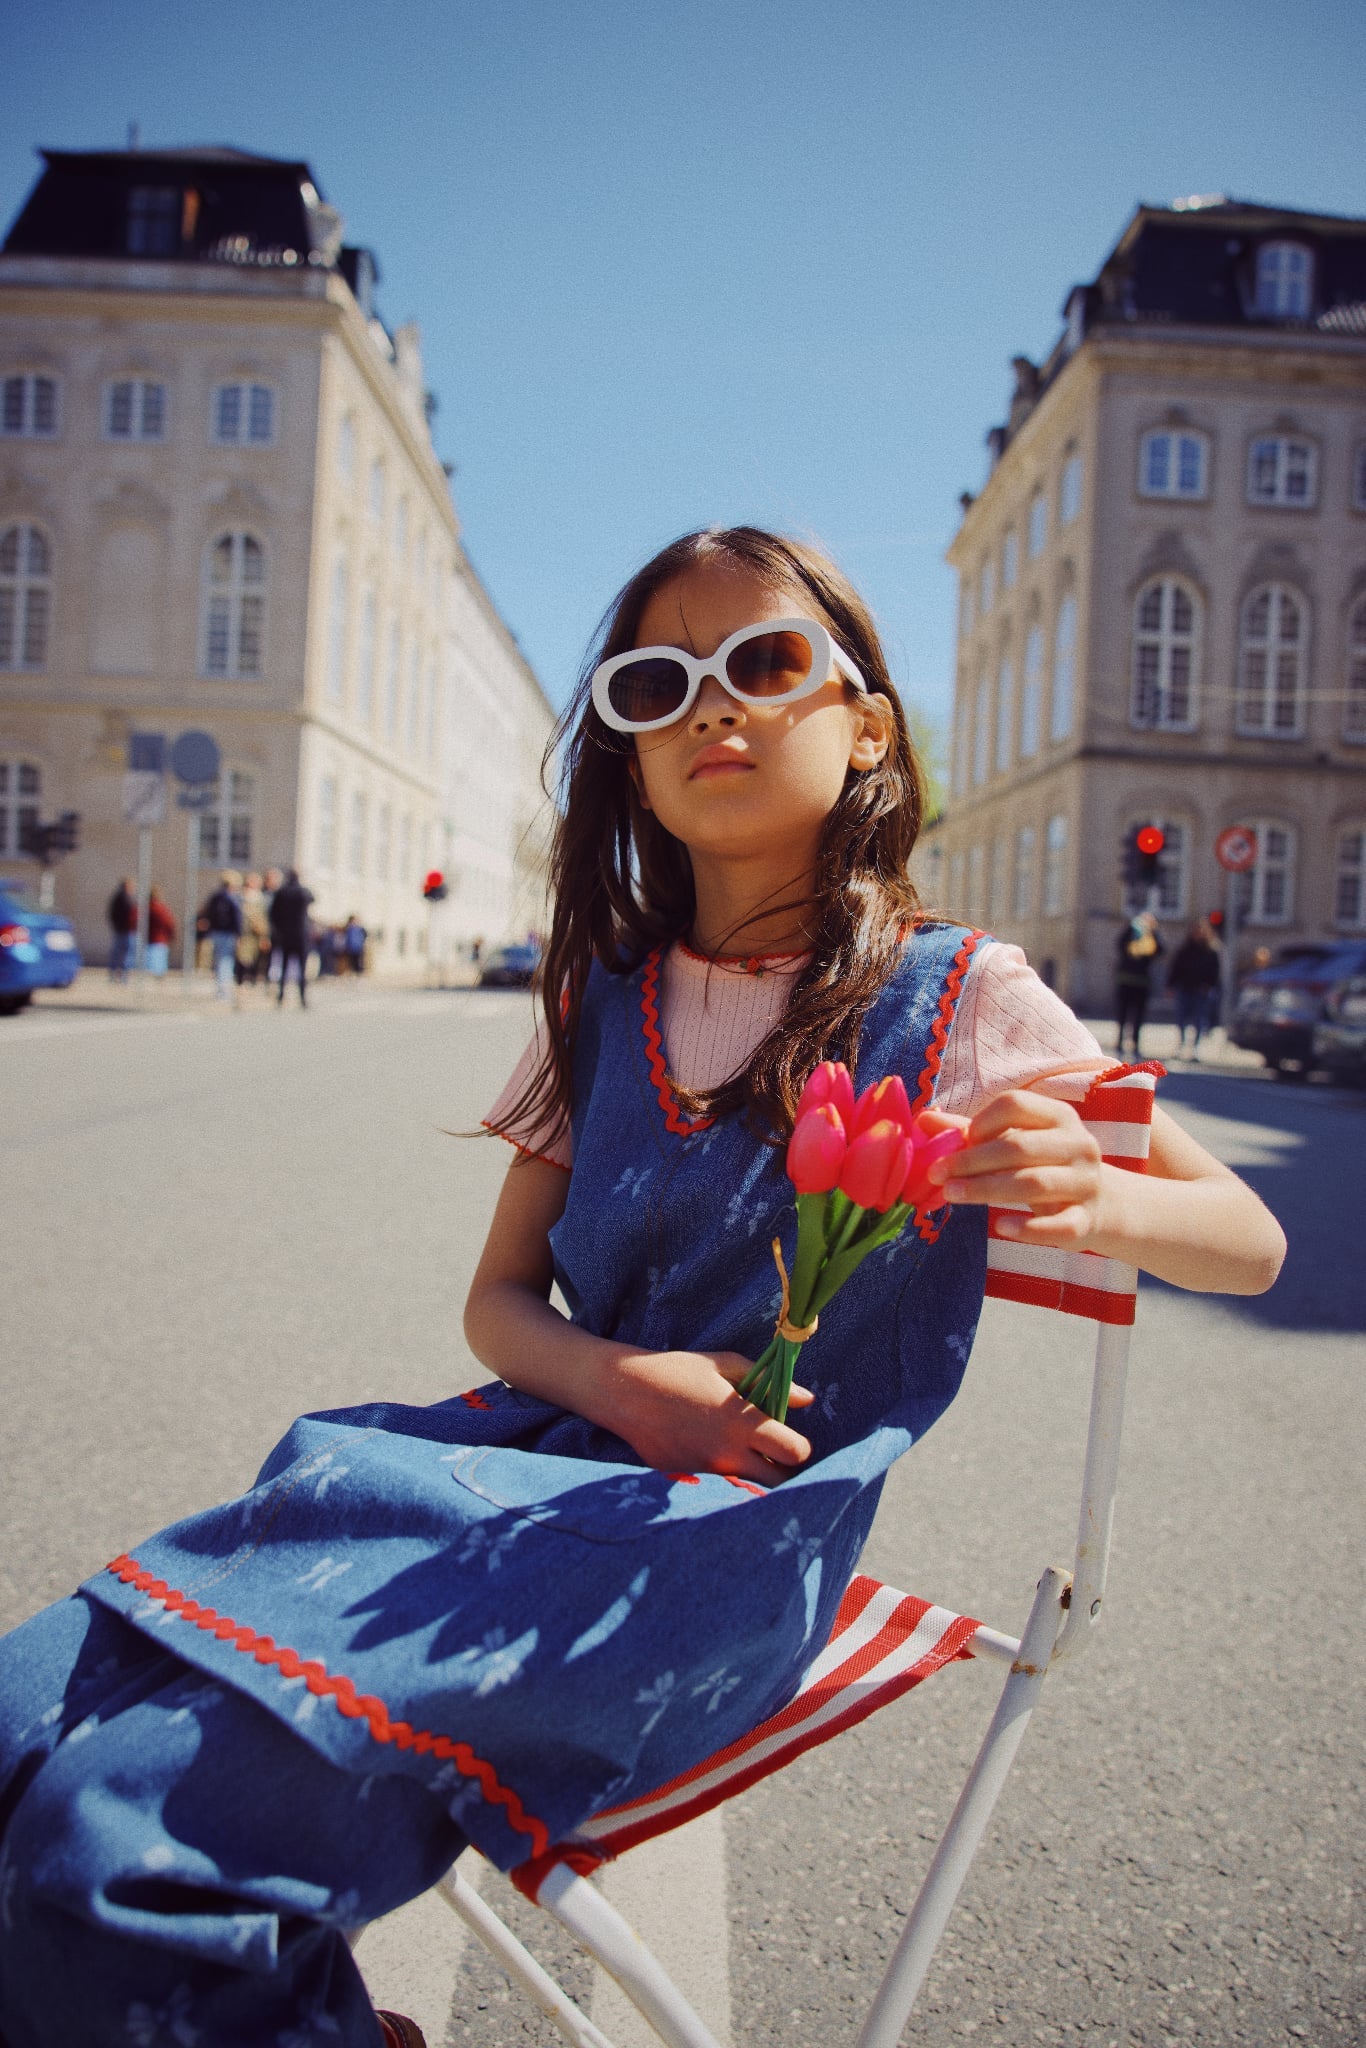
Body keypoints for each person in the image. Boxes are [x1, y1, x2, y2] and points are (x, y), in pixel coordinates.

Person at [0, 528, 1286, 2045]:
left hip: (725, 1545)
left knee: (111, 1849)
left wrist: (1097, 1188)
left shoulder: (954, 996)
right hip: (506, 1472)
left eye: (761, 663)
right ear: (626, 745)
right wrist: (615, 1384)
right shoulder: (595, 991)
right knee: (25, 1729)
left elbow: (1246, 1238)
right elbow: (496, 1306)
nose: (708, 709)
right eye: (656, 683)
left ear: (864, 720)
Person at [1166, 918, 1222, 1059]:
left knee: (1199, 1019)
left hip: (1201, 990)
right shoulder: (1185, 950)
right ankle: (1181, 1045)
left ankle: (1196, 1048)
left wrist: (1209, 985)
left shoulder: (1211, 951)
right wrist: (1171, 984)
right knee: (1181, 1018)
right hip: (1184, 987)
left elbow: (1215, 971)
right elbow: (1175, 968)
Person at [1114, 908, 1163, 1058]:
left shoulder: (1151, 937)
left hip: (1142, 982)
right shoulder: (1130, 934)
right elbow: (1120, 945)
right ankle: (1120, 1042)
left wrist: (1153, 932)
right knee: (1123, 1013)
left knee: (1139, 1016)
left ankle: (1135, 1043)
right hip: (1126, 979)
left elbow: (1161, 950)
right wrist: (1131, 928)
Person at [270, 866, 314, 1007]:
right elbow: (312, 899)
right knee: (302, 968)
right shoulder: (303, 892)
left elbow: (273, 914)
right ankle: (302, 997)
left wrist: (278, 929)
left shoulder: (282, 892)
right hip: (301, 934)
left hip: (286, 934)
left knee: (284, 966)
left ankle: (281, 995)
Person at [200, 870, 243, 1001]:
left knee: (219, 960)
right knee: (226, 961)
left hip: (216, 932)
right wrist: (239, 934)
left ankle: (220, 990)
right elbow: (237, 917)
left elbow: (207, 913)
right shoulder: (232, 898)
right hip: (228, 933)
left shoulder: (215, 897)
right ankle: (224, 992)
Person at [236, 871, 271, 987]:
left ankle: (251, 981)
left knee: (255, 959)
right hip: (244, 933)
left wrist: (264, 936)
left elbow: (264, 917)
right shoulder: (241, 897)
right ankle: (240, 981)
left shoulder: (260, 898)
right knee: (242, 958)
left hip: (257, 933)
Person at [106, 876, 137, 979]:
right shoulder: (124, 899)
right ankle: (123, 974)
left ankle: (114, 973)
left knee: (118, 953)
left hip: (122, 929)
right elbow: (129, 915)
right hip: (125, 930)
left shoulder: (119, 898)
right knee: (126, 953)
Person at [144, 887, 176, 978]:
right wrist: (171, 934)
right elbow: (169, 922)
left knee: (154, 960)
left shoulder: (151, 908)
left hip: (155, 938)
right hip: (158, 938)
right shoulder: (158, 908)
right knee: (156, 961)